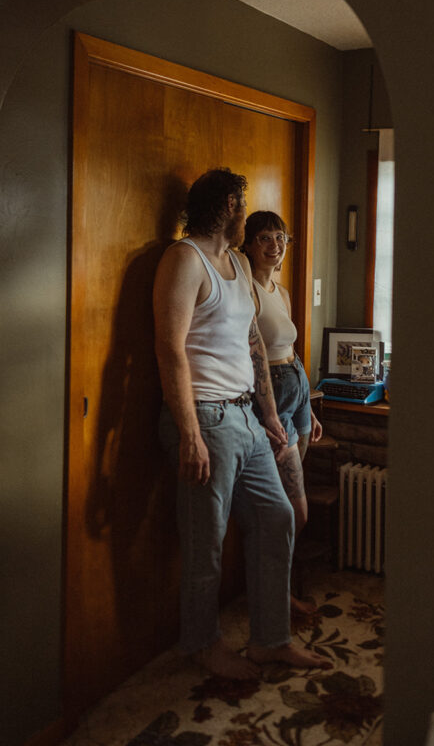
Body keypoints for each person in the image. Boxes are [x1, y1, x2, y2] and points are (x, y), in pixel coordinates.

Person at [153, 168, 329, 678]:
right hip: (204, 418)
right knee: (204, 541)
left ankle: (270, 641)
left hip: (247, 415)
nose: (245, 214)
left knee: (276, 520)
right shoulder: (182, 260)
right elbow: (169, 348)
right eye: (242, 204)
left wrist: (270, 415)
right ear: (228, 205)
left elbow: (253, 340)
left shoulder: (233, 261)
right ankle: (200, 645)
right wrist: (188, 432)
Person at [242, 210, 323, 615]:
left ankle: (280, 589)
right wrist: (271, 409)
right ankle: (277, 595)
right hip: (269, 402)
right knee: (286, 511)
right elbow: (252, 355)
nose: (275, 247)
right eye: (265, 239)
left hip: (297, 393)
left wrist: (309, 403)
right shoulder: (248, 290)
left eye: (281, 238)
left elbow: (290, 350)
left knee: (295, 509)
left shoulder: (282, 291)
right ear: (249, 244)